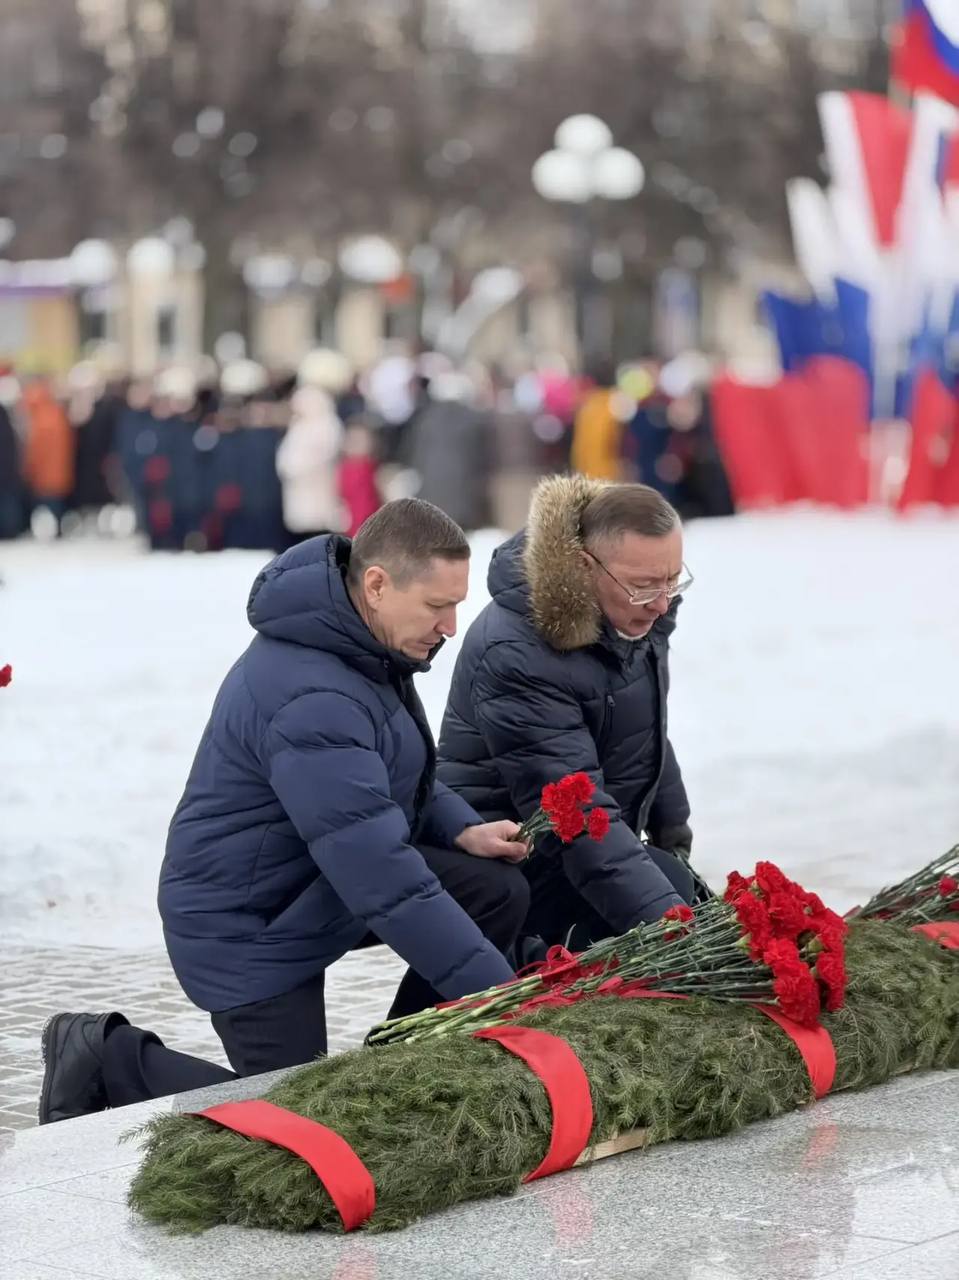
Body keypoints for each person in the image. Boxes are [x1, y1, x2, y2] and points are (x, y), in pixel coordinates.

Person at [40, 500, 528, 1123]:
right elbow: (382, 875)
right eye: (437, 606)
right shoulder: (312, 692)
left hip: (311, 886)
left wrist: (460, 826)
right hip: (247, 924)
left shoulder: (362, 642)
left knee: (493, 890)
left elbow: (393, 771)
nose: (452, 625)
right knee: (297, 1124)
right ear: (376, 585)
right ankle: (106, 1053)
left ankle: (404, 1075)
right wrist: (502, 998)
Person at [438, 476, 708, 954]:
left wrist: (674, 830)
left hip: (586, 848)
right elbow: (572, 816)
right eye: (646, 586)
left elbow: (641, 728)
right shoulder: (520, 651)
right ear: (585, 566)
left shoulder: (634, 612)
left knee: (676, 886)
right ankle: (524, 961)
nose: (664, 602)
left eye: (673, 579)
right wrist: (676, 933)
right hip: (512, 868)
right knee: (664, 900)